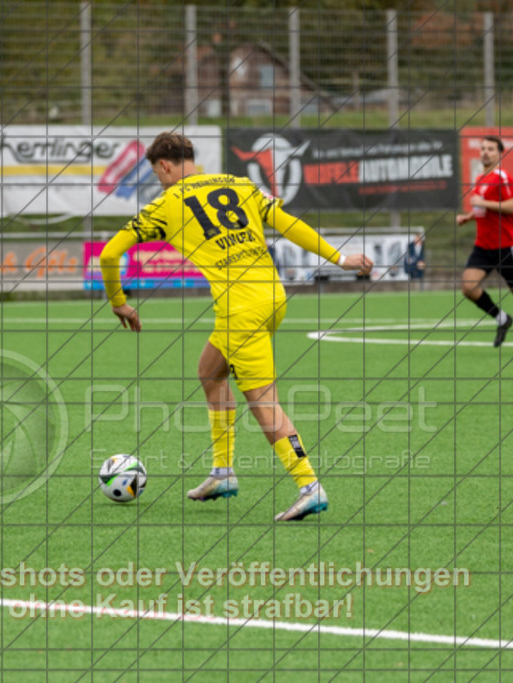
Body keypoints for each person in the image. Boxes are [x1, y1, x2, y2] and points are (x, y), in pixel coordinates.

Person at [99, 131, 373, 522]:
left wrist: (119, 303)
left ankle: (309, 485)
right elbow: (287, 221)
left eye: (158, 174)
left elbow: (110, 254)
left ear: (164, 165)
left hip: (241, 308)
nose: (159, 181)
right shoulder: (239, 184)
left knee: (263, 402)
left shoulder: (166, 203)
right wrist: (339, 257)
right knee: (210, 372)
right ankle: (222, 472)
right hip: (271, 297)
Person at [456, 136, 513, 355]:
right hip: (483, 246)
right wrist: (468, 217)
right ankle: (502, 318)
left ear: (500, 153)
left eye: (490, 149)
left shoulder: (502, 177)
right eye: (483, 148)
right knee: (468, 287)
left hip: (506, 247)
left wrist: (482, 203)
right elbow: (483, 210)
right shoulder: (480, 178)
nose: (485, 152)